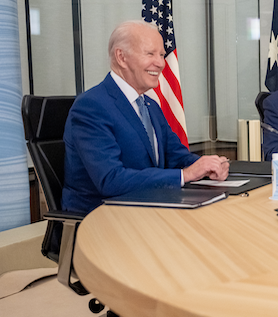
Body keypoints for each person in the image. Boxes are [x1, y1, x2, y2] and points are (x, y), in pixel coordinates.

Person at [62, 20, 230, 215]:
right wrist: (185, 175)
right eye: (150, 54)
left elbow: (177, 156)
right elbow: (111, 180)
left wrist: (208, 167)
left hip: (151, 210)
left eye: (160, 55)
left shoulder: (150, 105)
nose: (160, 63)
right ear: (121, 57)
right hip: (102, 220)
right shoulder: (91, 106)